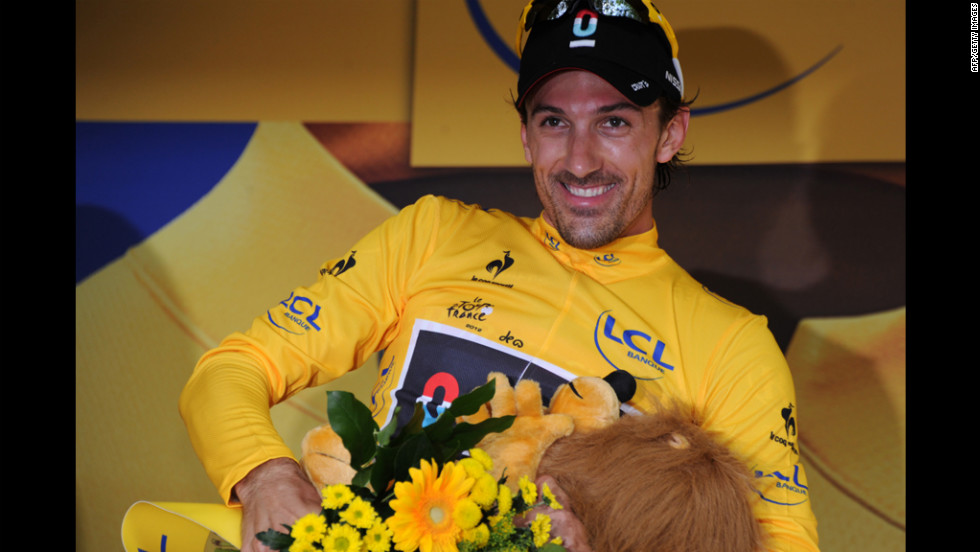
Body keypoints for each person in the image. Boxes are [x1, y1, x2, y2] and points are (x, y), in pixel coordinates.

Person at [179, 1, 820, 550]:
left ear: (669, 134)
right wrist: (263, 473)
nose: (579, 159)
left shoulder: (733, 346)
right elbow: (227, 372)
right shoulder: (430, 235)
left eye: (614, 121)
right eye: (553, 121)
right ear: (524, 136)